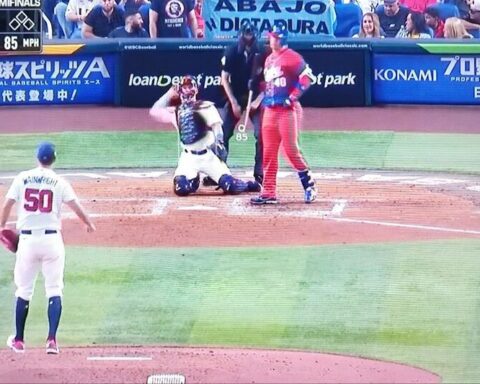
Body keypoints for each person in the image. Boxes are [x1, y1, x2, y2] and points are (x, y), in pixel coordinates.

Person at [1, 142, 96, 354]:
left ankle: (18, 340)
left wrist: (1, 226)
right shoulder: (59, 181)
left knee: (24, 290)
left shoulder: (22, 177)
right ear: (53, 159)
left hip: (27, 242)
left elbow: (7, 204)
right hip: (52, 241)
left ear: (37, 158)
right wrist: (88, 223)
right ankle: (52, 340)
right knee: (54, 289)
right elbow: (76, 206)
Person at [149, 75, 262, 196]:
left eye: (190, 86)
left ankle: (248, 185)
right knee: (181, 188)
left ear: (196, 89)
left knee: (230, 185)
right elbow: (154, 111)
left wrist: (219, 143)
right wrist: (170, 93)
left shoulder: (206, 106)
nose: (187, 90)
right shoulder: (177, 111)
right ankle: (193, 179)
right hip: (188, 159)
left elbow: (217, 127)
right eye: (184, 87)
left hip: (208, 156)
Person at [250, 24, 317, 206]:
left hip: (286, 111)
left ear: (280, 39)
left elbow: (308, 77)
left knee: (290, 150)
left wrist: (293, 96)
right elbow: (271, 86)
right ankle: (268, 192)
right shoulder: (269, 59)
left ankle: (309, 184)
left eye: (273, 37)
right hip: (270, 110)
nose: (270, 39)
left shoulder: (293, 57)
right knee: (269, 152)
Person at [213, 21, 266, 187]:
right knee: (223, 132)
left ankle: (259, 173)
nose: (248, 39)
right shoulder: (231, 51)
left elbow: (271, 81)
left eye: (251, 36)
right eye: (245, 36)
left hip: (256, 96)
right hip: (235, 94)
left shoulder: (263, 52)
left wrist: (258, 101)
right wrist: (233, 102)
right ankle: (219, 171)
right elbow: (224, 78)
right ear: (241, 36)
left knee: (261, 134)